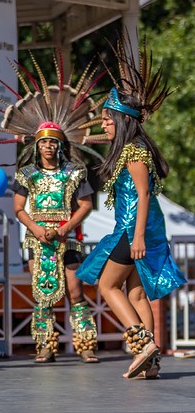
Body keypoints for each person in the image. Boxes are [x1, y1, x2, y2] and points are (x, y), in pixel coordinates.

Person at [77, 37, 186, 379]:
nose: (104, 124)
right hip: (141, 228)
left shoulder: (135, 153)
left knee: (107, 287)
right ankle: (150, 364)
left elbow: (142, 196)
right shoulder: (131, 148)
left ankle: (143, 345)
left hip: (133, 229)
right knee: (136, 292)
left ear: (123, 121)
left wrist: (136, 236)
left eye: (108, 119)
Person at [0, 56, 104, 364]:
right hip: (38, 238)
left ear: (60, 146)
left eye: (53, 143)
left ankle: (86, 343)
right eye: (43, 143)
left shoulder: (75, 173)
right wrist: (36, 229)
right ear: (36, 146)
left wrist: (65, 228)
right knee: (41, 294)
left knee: (76, 292)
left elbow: (86, 205)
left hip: (69, 238)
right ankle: (44, 344)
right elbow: (19, 208)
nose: (48, 147)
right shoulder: (27, 176)